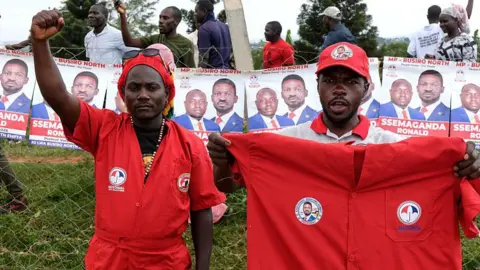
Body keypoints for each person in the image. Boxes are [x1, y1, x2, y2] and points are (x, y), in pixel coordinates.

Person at [30, 10, 225, 269]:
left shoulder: (190, 145)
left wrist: (203, 266)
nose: (143, 94)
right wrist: (40, 43)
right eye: (134, 87)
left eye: (152, 87)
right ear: (123, 93)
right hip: (110, 259)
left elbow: (201, 209)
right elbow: (58, 96)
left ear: (167, 94)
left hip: (166, 261)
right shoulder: (104, 129)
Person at [207, 42, 480, 193]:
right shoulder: (284, 142)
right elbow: (229, 187)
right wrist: (221, 163)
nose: (339, 89)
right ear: (317, 87)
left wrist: (468, 163)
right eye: (330, 80)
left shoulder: (391, 145)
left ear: (366, 89)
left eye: (350, 81)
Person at [115, 3, 196, 68]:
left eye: (165, 18)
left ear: (176, 21)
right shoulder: (155, 39)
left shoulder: (186, 44)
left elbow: (189, 72)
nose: (160, 21)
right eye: (160, 17)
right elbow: (129, 42)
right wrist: (122, 15)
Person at [195, 0, 233, 69]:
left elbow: (203, 58)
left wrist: (199, 76)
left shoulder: (204, 29)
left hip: (212, 74)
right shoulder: (226, 27)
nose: (195, 14)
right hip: (228, 72)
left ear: (204, 11)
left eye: (197, 11)